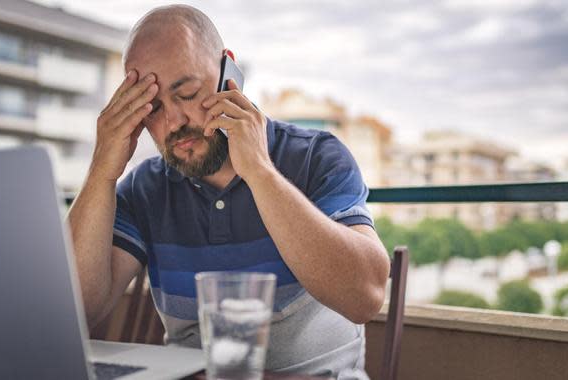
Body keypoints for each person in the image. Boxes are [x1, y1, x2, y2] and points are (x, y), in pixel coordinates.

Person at [66, 4, 390, 376]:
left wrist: (259, 171)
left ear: (227, 71)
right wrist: (101, 174)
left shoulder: (318, 156)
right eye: (151, 108)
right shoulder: (146, 188)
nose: (173, 122)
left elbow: (365, 298)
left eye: (186, 93)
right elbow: (74, 310)